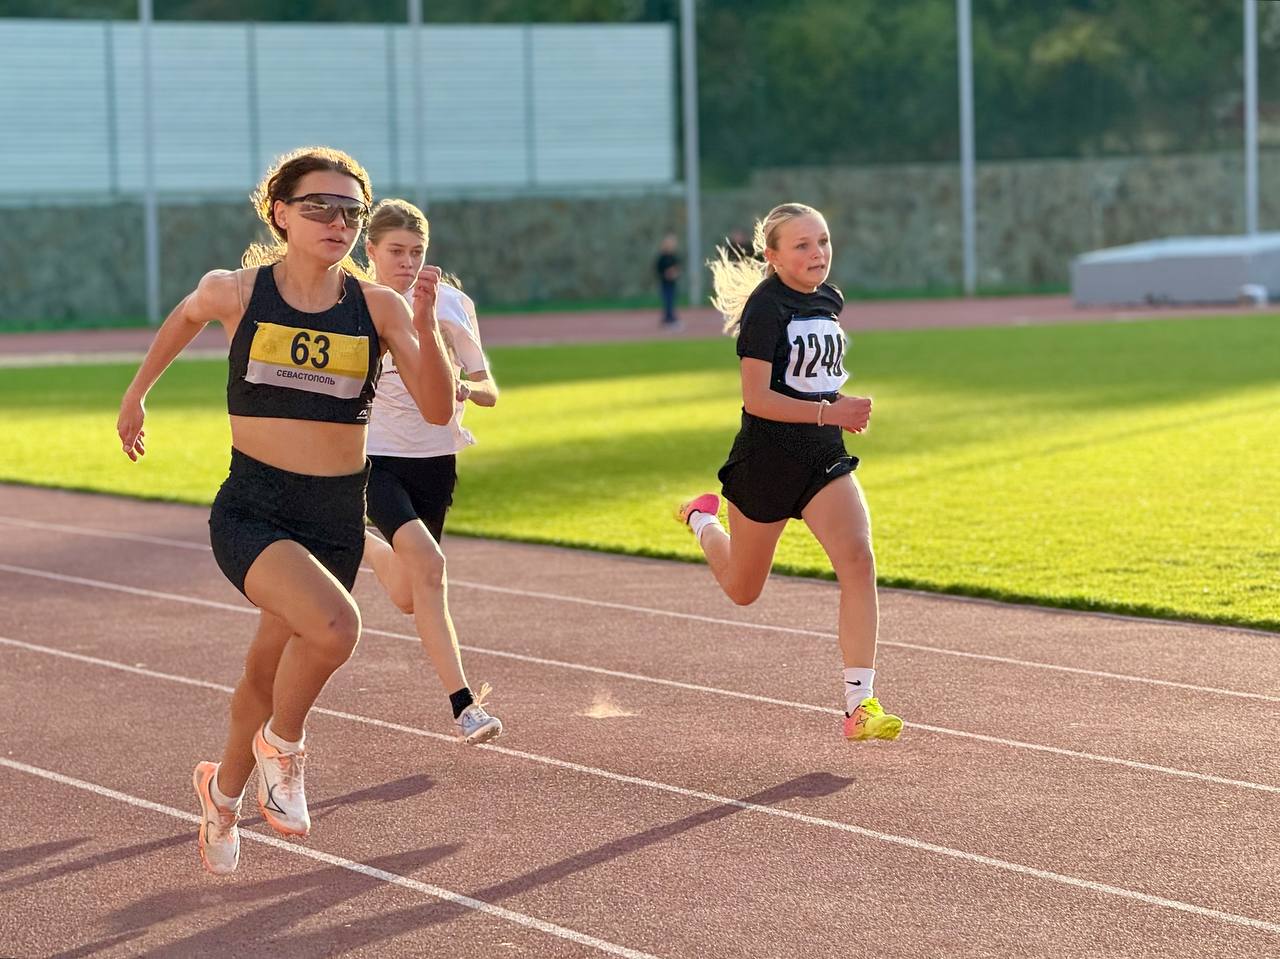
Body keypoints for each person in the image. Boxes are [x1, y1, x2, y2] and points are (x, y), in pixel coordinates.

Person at [116, 146, 455, 876]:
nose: (337, 221)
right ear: (281, 213)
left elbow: (435, 407)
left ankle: (223, 791)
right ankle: (284, 746)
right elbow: (183, 317)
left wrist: (424, 328)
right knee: (336, 627)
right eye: (319, 207)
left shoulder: (379, 307)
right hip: (255, 510)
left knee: (264, 674)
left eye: (350, 211)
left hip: (333, 515)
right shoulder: (237, 291)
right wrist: (137, 393)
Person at [675, 202, 903, 743]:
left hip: (822, 456)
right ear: (772, 256)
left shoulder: (829, 299)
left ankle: (859, 704)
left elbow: (809, 379)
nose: (818, 253)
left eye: (823, 241)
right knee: (743, 589)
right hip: (766, 461)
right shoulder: (765, 309)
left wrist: (836, 404)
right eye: (802, 245)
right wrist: (832, 410)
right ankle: (702, 520)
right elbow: (757, 400)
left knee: (858, 557)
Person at [358, 198, 503, 744]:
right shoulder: (357, 303)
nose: (408, 262)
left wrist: (465, 388)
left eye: (417, 252)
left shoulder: (451, 303)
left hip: (437, 458)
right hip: (377, 457)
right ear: (369, 250)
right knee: (431, 564)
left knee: (408, 594)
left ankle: (364, 544)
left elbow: (488, 387)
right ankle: (465, 706)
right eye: (396, 251)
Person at [655, 233, 682, 330]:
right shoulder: (662, 258)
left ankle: (669, 318)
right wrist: (666, 274)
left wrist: (675, 273)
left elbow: (678, 268)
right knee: (667, 301)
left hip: (672, 284)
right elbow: (658, 269)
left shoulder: (673, 257)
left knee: (671, 300)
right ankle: (669, 319)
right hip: (665, 284)